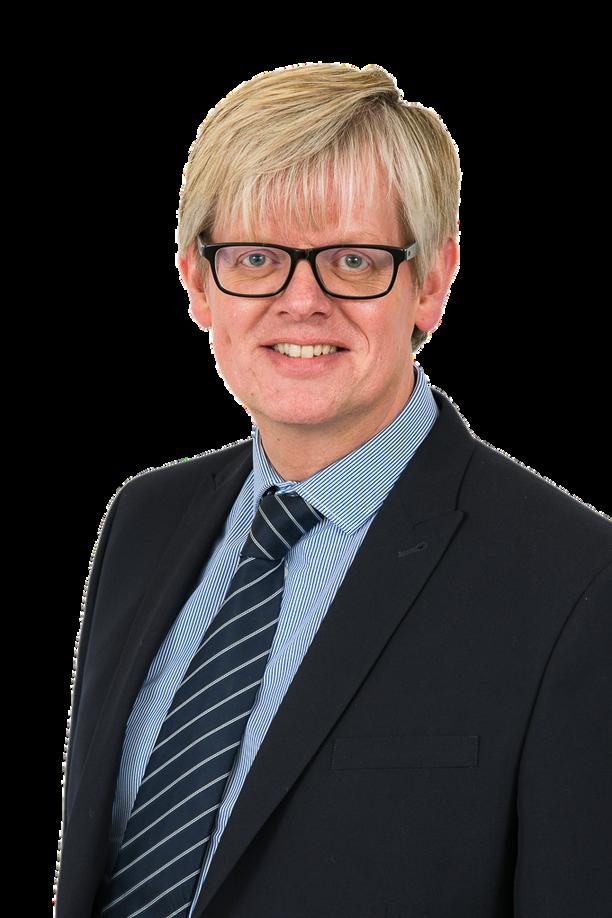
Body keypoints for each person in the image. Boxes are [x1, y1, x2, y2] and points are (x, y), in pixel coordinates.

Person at [53, 63, 611, 918]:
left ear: (431, 282)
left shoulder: (578, 583)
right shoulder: (143, 520)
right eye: (255, 258)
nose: (302, 300)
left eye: (353, 260)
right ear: (198, 282)